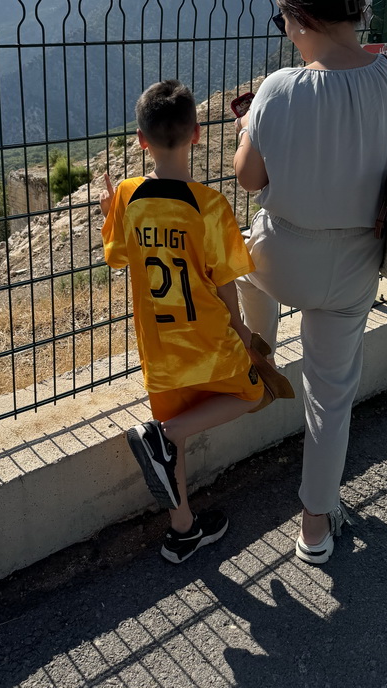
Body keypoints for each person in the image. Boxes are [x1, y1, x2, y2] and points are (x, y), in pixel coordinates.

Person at [233, 0, 387, 564]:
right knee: (330, 394)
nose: (284, 33)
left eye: (283, 20)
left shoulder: (277, 90)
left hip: (279, 260)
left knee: (248, 250)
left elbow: (250, 180)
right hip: (354, 266)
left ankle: (255, 353)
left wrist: (250, 130)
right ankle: (315, 525)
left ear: (301, 17)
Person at [100, 79, 265, 563]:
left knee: (171, 434)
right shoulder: (211, 206)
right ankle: (164, 439)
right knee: (250, 392)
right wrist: (242, 331)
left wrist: (110, 212)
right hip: (209, 339)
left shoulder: (129, 196)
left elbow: (117, 259)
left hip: (160, 346)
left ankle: (182, 529)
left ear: (140, 139)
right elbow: (227, 281)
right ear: (196, 134)